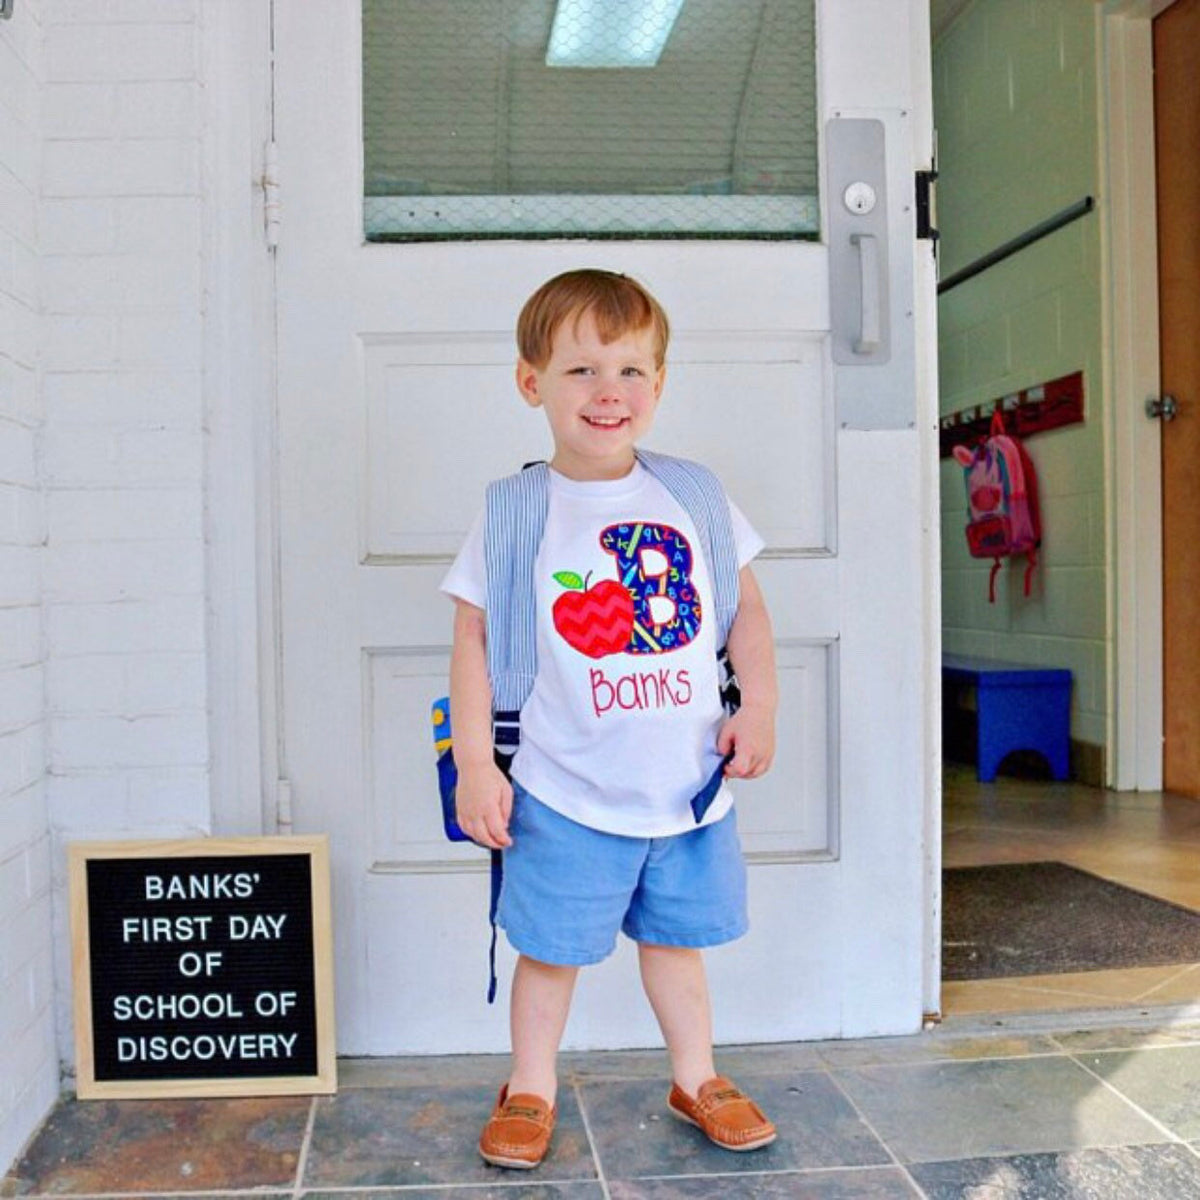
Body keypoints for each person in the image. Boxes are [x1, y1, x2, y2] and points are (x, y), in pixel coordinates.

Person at [441, 268, 779, 1170]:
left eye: (632, 371)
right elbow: (471, 644)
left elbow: (746, 612)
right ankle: (530, 1087)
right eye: (583, 370)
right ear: (531, 383)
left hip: (687, 789)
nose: (609, 393)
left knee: (677, 945)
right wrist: (479, 765)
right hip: (564, 790)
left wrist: (762, 708)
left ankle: (697, 1075)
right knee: (551, 954)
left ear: (659, 386)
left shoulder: (694, 495)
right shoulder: (516, 512)